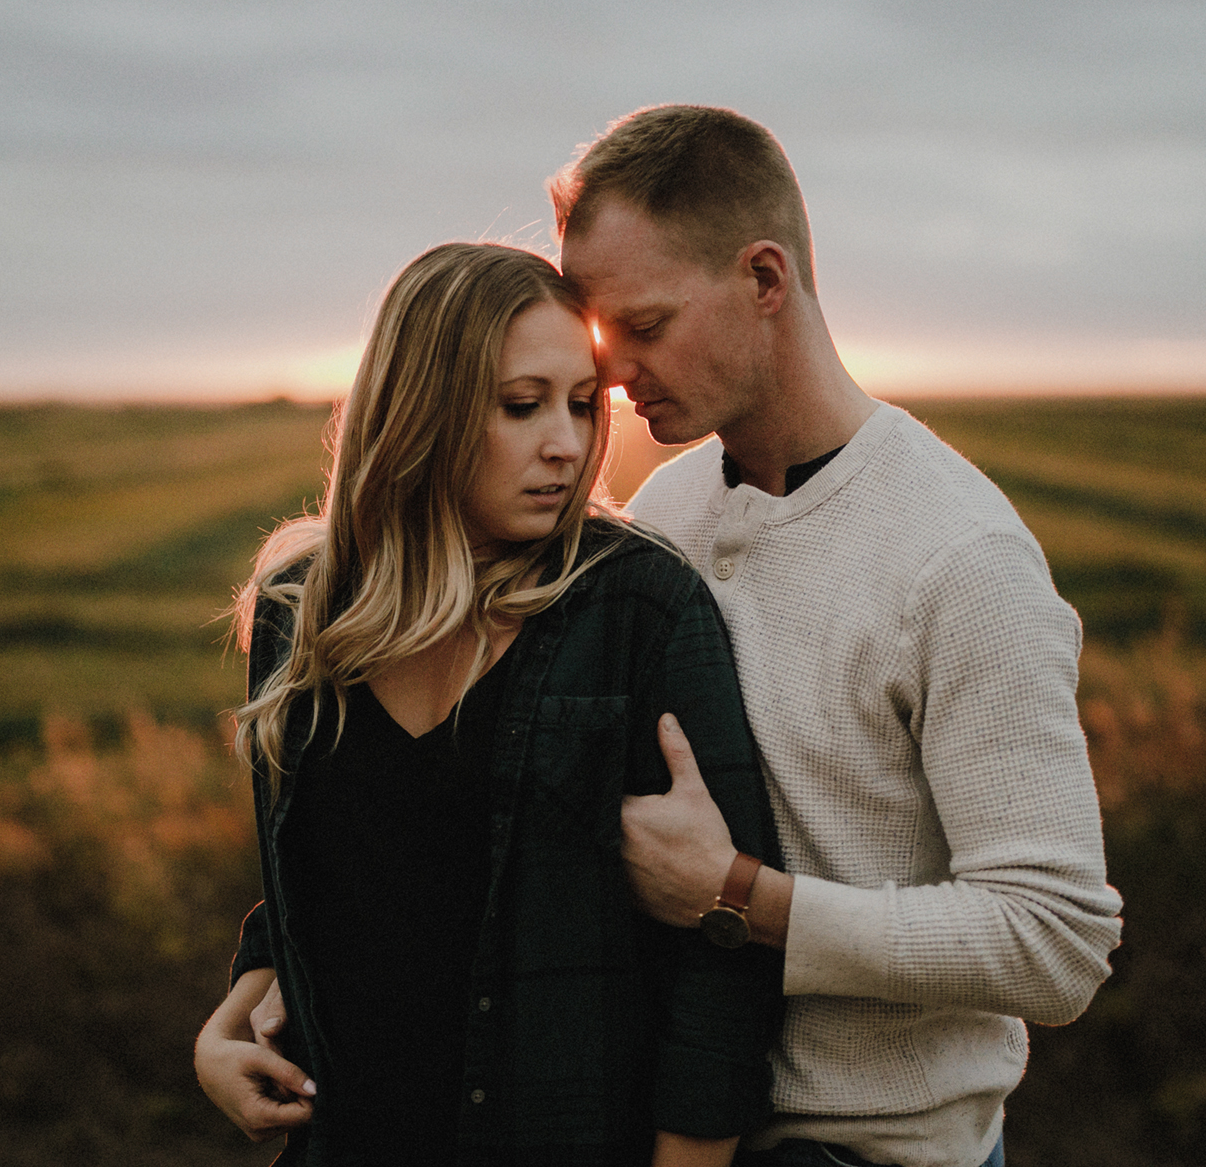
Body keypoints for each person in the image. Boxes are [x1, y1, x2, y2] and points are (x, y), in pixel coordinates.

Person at [549, 106, 1123, 1167]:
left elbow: (1055, 943)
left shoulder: (959, 560)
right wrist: (268, 978)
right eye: (599, 332)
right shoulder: (662, 517)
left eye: (647, 324)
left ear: (765, 279)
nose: (614, 372)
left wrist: (742, 901)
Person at [192, 241, 785, 1167]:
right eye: (522, 405)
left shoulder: (639, 609)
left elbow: (724, 965)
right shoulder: (299, 614)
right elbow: (324, 878)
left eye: (583, 405)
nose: (568, 442)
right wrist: (233, 1017)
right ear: (420, 411)